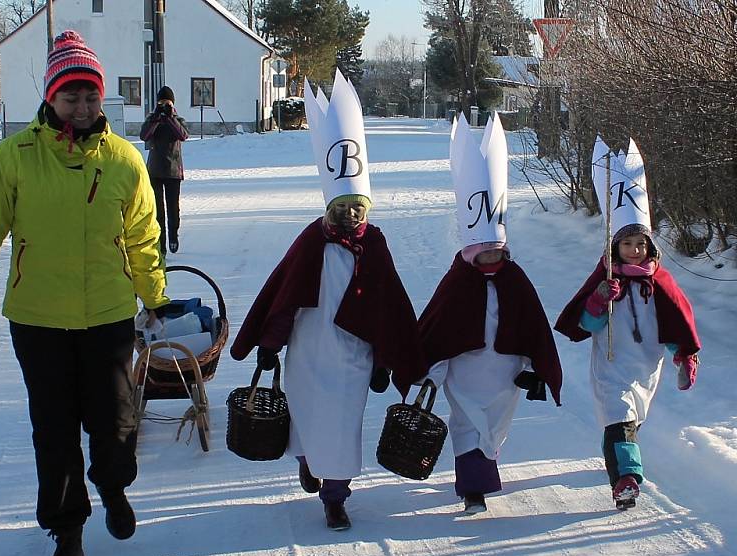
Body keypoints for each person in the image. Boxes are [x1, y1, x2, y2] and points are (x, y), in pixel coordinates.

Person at [0, 30, 170, 556]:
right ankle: (67, 533)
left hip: (109, 318)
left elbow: (142, 235)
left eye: (91, 95)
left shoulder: (123, 161)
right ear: (50, 97)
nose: (84, 106)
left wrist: (154, 295)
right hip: (39, 321)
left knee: (115, 420)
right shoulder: (14, 158)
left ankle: (112, 488)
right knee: (54, 429)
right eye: (72, 96)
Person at [230, 71, 425, 531]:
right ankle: (309, 460)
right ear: (329, 207)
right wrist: (271, 342)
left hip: (352, 355)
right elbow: (285, 296)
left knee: (341, 427)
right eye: (343, 208)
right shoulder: (311, 241)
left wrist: (384, 362)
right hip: (310, 348)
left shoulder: (374, 245)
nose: (351, 215)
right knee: (306, 415)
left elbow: (388, 307)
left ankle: (336, 495)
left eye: (358, 207)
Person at [418, 113, 562, 515]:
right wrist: (430, 368)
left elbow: (532, 325)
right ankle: (473, 490)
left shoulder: (515, 280)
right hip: (465, 371)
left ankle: (481, 472)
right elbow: (437, 327)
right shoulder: (457, 283)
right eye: (484, 251)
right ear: (469, 251)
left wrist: (536, 366)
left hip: (504, 372)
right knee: (466, 425)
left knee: (494, 428)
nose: (491, 258)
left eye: (496, 251)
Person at [555, 137, 700, 510]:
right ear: (614, 248)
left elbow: (675, 322)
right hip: (611, 363)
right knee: (618, 417)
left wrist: (684, 356)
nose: (634, 250)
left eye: (640, 243)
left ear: (649, 246)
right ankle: (626, 479)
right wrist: (601, 298)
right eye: (626, 244)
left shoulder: (661, 282)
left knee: (631, 419)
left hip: (645, 366)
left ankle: (622, 458)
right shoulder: (606, 279)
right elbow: (586, 324)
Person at [140, 85, 189, 255]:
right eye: (161, 103)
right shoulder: (152, 119)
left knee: (173, 208)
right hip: (154, 171)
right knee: (157, 209)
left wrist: (169, 118)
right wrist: (156, 119)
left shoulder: (178, 120)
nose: (163, 106)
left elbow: (183, 135)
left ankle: (173, 235)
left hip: (173, 171)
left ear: (172, 104)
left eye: (166, 103)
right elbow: (144, 136)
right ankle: (160, 242)